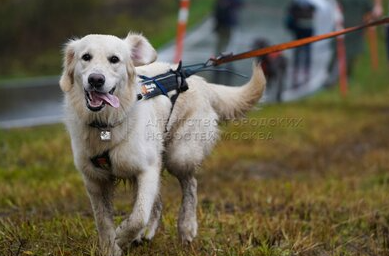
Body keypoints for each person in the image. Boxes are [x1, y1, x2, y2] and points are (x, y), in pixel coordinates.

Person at [337, 0, 382, 76]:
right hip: (342, 31)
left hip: (356, 32)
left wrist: (373, 16)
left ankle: (347, 75)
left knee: (353, 55)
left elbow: (372, 11)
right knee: (340, 54)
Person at [286, 0, 316, 88]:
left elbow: (290, 11)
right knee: (303, 52)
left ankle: (302, 75)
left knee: (303, 52)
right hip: (302, 30)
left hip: (304, 30)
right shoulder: (311, 4)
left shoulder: (310, 3)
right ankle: (300, 75)